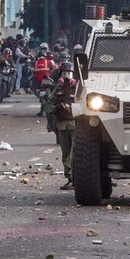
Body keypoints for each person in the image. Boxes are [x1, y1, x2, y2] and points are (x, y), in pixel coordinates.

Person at [48, 60, 78, 190]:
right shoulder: (57, 89)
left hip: (76, 124)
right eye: (64, 74)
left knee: (77, 153)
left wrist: (70, 108)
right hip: (61, 125)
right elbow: (48, 106)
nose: (67, 77)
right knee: (66, 153)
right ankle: (70, 178)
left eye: (69, 74)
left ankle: (80, 178)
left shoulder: (78, 89)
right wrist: (57, 108)